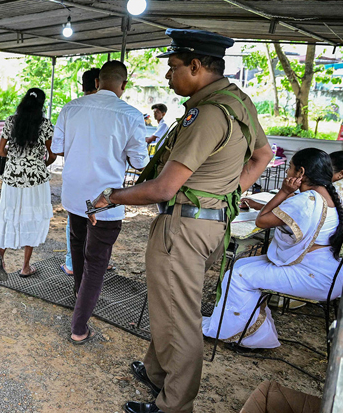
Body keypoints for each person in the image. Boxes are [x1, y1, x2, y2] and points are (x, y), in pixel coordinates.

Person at [87, 29, 273, 413]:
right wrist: (224, 197)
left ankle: (174, 405)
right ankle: (157, 374)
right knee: (169, 304)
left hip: (183, 228)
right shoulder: (237, 101)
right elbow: (262, 156)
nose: (168, 77)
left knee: (180, 317)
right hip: (209, 224)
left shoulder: (205, 115)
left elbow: (163, 188)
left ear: (196, 65)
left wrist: (112, 198)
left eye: (173, 68)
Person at [202, 149, 343, 349]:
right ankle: (255, 330)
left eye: (289, 168)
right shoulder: (330, 195)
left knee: (240, 275)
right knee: (242, 264)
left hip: (315, 276)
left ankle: (244, 336)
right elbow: (283, 214)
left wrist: (284, 191)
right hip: (329, 272)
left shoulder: (306, 201)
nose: (287, 173)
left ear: (300, 173)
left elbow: (261, 221)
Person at [52, 61, 149, 344]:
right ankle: (79, 326)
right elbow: (140, 162)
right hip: (105, 200)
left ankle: (78, 298)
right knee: (96, 260)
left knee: (79, 248)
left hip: (73, 195)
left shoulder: (71, 108)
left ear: (97, 82)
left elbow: (57, 149)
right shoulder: (130, 115)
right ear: (124, 85)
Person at [0, 88, 56, 279]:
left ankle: (0, 255)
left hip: (12, 177)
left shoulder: (11, 121)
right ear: (41, 104)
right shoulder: (44, 125)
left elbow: (0, 151)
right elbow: (52, 155)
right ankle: (25, 267)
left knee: (9, 213)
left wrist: (15, 156)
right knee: (33, 217)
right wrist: (41, 164)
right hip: (36, 180)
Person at [60, 67, 101, 276]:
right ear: (98, 82)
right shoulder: (118, 111)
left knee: (75, 222)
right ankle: (99, 262)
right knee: (100, 222)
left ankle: (72, 263)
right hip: (102, 179)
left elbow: (57, 148)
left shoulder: (70, 108)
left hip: (76, 176)